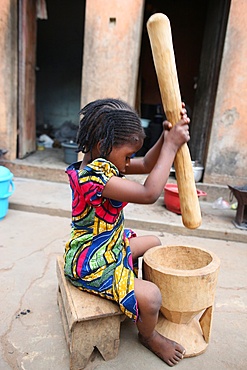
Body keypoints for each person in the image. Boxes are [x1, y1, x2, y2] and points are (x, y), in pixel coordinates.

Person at [64, 98, 190, 367]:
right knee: (153, 296)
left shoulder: (103, 160)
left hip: (109, 245)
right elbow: (148, 193)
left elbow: (145, 165)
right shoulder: (93, 178)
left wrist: (165, 137)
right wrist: (171, 146)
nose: (129, 162)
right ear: (104, 146)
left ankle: (136, 297)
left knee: (154, 242)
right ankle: (149, 334)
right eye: (127, 155)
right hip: (92, 262)